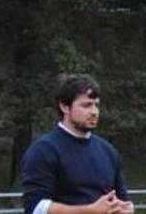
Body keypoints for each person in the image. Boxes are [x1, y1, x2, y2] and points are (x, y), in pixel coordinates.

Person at [21, 74, 135, 214]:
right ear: (65, 107)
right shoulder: (43, 150)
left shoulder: (108, 151)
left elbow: (125, 202)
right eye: (86, 105)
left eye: (96, 105)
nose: (94, 112)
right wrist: (90, 211)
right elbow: (36, 208)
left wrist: (123, 209)